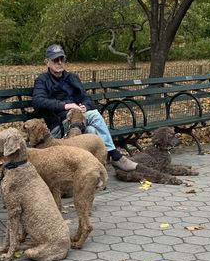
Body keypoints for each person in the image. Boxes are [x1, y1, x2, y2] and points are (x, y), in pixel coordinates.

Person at [32, 44, 138, 172]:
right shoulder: (42, 80)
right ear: (47, 62)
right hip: (60, 125)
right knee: (94, 116)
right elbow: (38, 101)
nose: (59, 62)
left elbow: (87, 98)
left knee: (92, 130)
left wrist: (84, 108)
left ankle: (92, 171)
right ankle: (115, 156)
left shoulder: (72, 78)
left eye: (62, 59)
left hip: (81, 119)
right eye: (55, 60)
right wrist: (65, 106)